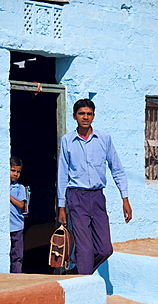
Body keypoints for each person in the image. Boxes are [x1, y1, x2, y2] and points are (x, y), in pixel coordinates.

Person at [57, 98, 132, 275]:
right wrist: (61, 206)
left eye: (89, 114)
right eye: (82, 113)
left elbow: (117, 169)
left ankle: (75, 273)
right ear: (74, 116)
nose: (85, 117)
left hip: (98, 198)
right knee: (84, 249)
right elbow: (62, 175)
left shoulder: (104, 139)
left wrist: (125, 199)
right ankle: (84, 287)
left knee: (105, 249)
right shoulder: (67, 141)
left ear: (94, 116)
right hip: (77, 198)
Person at [10, 156, 27, 273]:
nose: (15, 174)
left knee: (17, 255)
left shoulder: (19, 188)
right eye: (13, 171)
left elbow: (21, 205)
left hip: (17, 226)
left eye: (18, 172)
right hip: (6, 228)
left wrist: (9, 196)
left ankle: (16, 276)